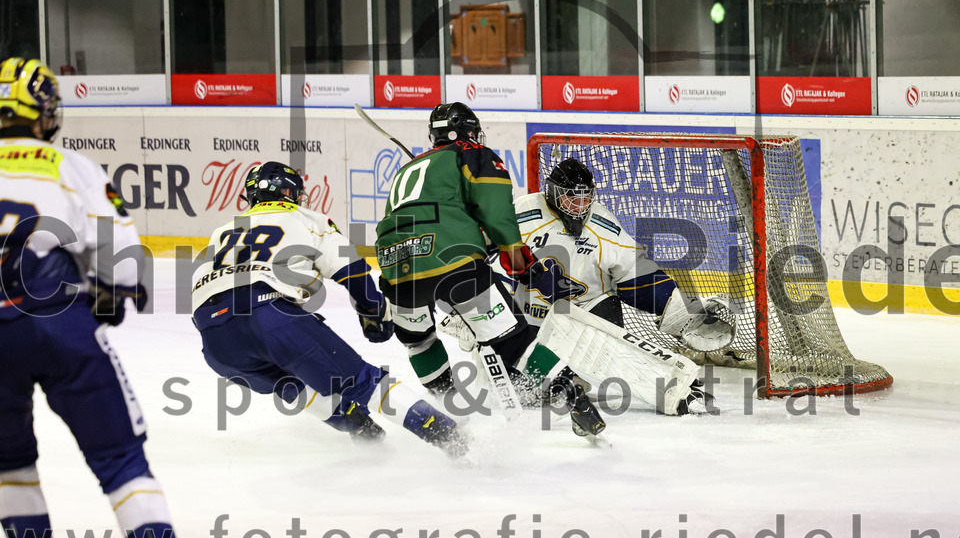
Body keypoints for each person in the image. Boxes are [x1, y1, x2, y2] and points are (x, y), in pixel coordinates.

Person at [0, 58, 193, 538]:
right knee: (119, 459)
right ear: (42, 111)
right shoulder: (67, 163)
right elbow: (121, 256)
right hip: (56, 319)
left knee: (10, 466)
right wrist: (116, 292)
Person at [191, 161, 467, 457]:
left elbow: (198, 287)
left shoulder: (222, 231)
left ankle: (356, 424)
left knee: (289, 385)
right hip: (270, 314)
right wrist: (373, 312)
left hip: (215, 339)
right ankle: (451, 437)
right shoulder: (307, 219)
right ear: (290, 192)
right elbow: (352, 270)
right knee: (364, 381)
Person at [374, 102, 606, 438]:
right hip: (453, 258)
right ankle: (575, 400)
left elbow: (408, 224)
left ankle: (450, 412)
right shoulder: (474, 153)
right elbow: (498, 216)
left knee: (419, 342)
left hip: (396, 266)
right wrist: (526, 268)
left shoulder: (405, 173)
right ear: (470, 131)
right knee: (512, 338)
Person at [480, 157, 735, 414]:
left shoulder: (602, 224)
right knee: (525, 393)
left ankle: (675, 389)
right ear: (553, 194)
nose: (580, 207)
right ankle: (561, 377)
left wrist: (682, 310)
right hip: (531, 321)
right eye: (572, 199)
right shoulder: (523, 212)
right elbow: (482, 249)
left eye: (585, 198)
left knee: (613, 343)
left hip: (587, 314)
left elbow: (638, 276)